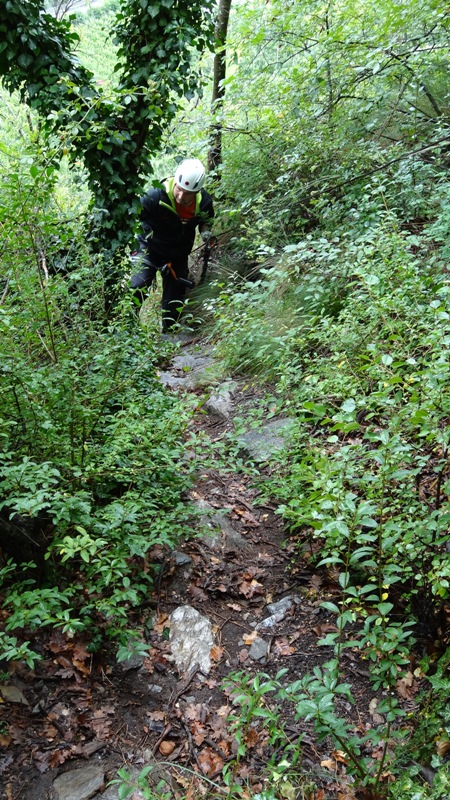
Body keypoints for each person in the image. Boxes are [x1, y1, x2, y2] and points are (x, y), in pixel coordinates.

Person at [130, 158, 215, 331]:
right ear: (175, 182)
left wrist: (206, 233)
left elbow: (206, 222)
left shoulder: (204, 203)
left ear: (197, 192)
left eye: (188, 193)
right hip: (149, 248)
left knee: (174, 301)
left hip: (177, 254)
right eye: (180, 189)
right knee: (137, 286)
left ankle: (169, 336)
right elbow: (134, 219)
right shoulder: (155, 195)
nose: (181, 196)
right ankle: (127, 328)